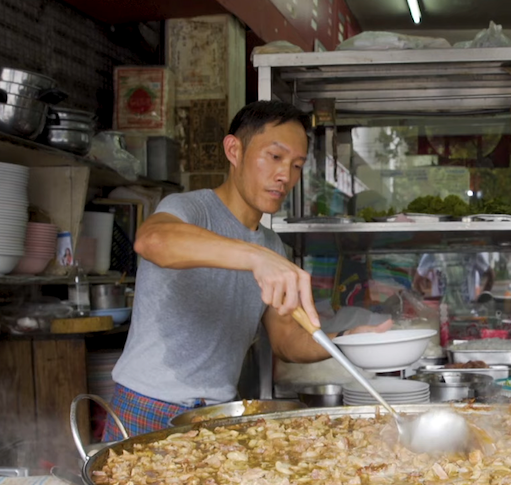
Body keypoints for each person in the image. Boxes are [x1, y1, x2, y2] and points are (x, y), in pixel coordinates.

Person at [108, 101, 389, 438]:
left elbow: (287, 341)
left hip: (219, 412)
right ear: (234, 150)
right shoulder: (189, 209)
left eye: (296, 165)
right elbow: (152, 241)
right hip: (149, 405)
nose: (286, 175)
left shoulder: (272, 246)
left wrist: (346, 341)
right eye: (274, 157)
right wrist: (255, 257)